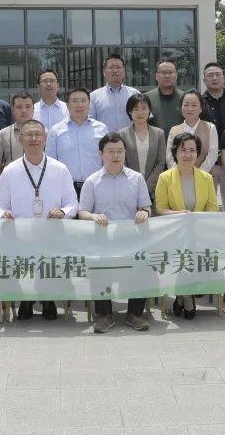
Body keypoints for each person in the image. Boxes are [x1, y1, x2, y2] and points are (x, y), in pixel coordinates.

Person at [0, 119, 78, 321]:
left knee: (50, 258)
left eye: (38, 134)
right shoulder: (10, 170)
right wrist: (2, 214)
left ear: (45, 138)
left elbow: (72, 203)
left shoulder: (59, 169)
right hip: (19, 235)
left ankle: (47, 298)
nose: (34, 139)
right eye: (29, 135)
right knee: (16, 258)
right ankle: (26, 299)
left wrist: (63, 212)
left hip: (51, 234)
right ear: (20, 139)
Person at [78, 133, 152, 333]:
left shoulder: (136, 178)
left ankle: (135, 314)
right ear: (101, 154)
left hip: (132, 239)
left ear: (125, 153)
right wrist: (93, 216)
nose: (116, 155)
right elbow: (82, 212)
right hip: (103, 239)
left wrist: (144, 212)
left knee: (142, 265)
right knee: (99, 268)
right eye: (110, 151)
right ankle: (104, 315)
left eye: (120, 151)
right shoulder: (92, 181)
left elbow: (146, 206)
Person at [155, 133, 219, 318]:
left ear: (197, 153)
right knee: (182, 252)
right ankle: (187, 296)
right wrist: (179, 215)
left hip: (200, 233)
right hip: (173, 233)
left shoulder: (206, 177)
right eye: (183, 150)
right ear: (175, 152)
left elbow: (212, 208)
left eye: (192, 150)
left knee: (194, 250)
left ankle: (182, 296)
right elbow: (161, 209)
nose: (188, 154)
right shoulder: (165, 178)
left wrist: (196, 220)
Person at [46, 88, 110, 196]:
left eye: (83, 100)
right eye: (74, 101)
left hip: (97, 186)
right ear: (67, 105)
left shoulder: (101, 129)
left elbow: (107, 159)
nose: (79, 105)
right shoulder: (56, 131)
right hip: (66, 189)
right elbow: (50, 163)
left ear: (89, 105)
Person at [117, 93, 167, 204]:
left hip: (153, 189)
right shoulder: (122, 134)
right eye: (135, 109)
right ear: (129, 112)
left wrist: (147, 186)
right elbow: (121, 162)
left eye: (144, 108)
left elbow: (161, 162)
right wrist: (134, 184)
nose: (140, 113)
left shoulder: (159, 133)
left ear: (149, 110)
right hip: (129, 188)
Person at [166, 90, 219, 173]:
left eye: (194, 105)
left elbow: (213, 154)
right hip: (177, 177)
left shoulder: (210, 128)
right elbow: (169, 157)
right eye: (186, 105)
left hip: (203, 176)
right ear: (181, 107)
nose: (190, 109)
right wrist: (178, 174)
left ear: (201, 108)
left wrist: (198, 174)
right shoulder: (174, 130)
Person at [89, 53, 140, 132]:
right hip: (104, 139)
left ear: (124, 71)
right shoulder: (94, 96)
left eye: (118, 67)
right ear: (104, 72)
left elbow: (142, 118)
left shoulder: (134, 94)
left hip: (129, 139)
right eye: (111, 67)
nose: (115, 70)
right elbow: (90, 122)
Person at [0, 91, 36, 181]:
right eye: (19, 107)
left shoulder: (43, 134)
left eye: (28, 106)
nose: (24, 110)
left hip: (37, 184)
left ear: (34, 109)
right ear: (13, 110)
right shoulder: (3, 134)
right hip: (11, 183)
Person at [145, 59, 184, 132]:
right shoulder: (146, 98)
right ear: (156, 76)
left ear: (176, 75)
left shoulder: (185, 98)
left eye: (170, 72)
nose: (167, 76)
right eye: (163, 73)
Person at [200, 61, 225, 136]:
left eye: (218, 74)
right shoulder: (199, 102)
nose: (214, 78)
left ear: (223, 78)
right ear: (204, 81)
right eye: (210, 75)